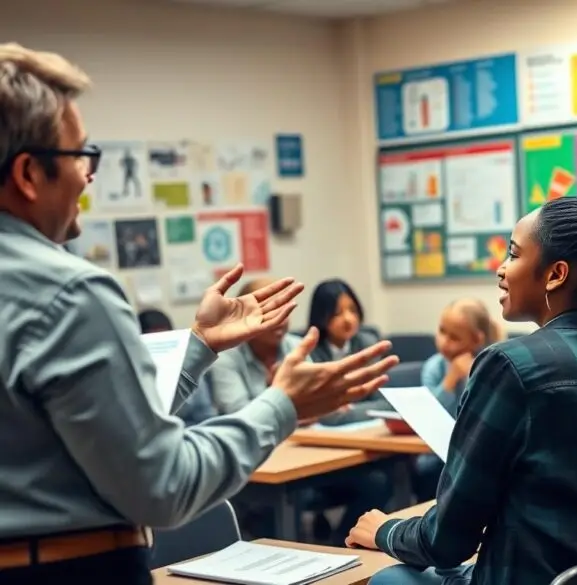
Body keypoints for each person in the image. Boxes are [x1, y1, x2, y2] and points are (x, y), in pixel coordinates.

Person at [0, 43, 398, 584]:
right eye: (80, 156)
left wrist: (199, 346)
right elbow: (163, 485)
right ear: (28, 174)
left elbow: (85, 427)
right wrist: (284, 404)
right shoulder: (69, 292)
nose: (88, 176)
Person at [345, 171, 577, 585]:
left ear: (556, 274)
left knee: (388, 580)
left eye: (514, 254)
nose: (501, 270)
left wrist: (385, 530)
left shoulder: (510, 365)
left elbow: (448, 541)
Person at [207, 278, 394, 543]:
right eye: (271, 309)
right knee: (280, 508)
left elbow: (316, 407)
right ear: (245, 315)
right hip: (257, 466)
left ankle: (338, 548)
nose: (281, 319)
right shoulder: (227, 358)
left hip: (306, 455)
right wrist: (279, 397)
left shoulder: (297, 346)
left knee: (377, 481)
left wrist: (286, 404)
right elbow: (240, 413)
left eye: (286, 309)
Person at [413, 298, 504, 502]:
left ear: (476, 340)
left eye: (454, 337)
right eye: (442, 331)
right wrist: (450, 380)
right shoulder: (434, 367)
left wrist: (472, 376)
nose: (444, 341)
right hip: (436, 459)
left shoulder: (490, 366)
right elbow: (428, 415)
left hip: (476, 457)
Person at [306, 278, 391, 424]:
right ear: (321, 316)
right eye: (337, 313)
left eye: (352, 310)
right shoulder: (309, 351)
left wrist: (347, 412)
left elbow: (386, 405)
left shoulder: (368, 345)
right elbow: (319, 413)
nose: (348, 319)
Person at [138, 308, 216, 426]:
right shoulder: (132, 376)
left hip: (191, 435)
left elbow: (206, 416)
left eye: (165, 340)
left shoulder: (190, 364)